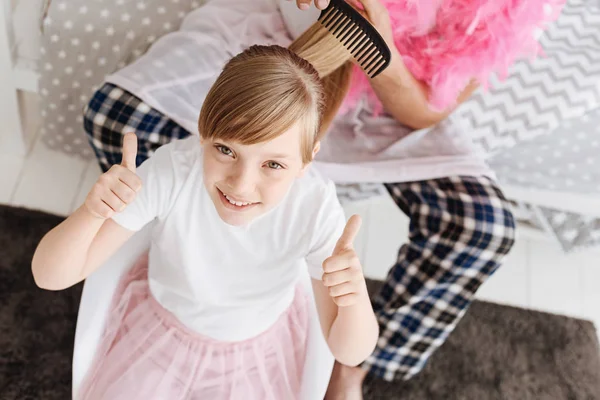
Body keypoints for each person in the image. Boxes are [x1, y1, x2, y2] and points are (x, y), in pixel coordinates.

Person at [81, 0, 518, 398]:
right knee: (115, 115)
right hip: (270, 52)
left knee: (482, 226)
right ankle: (184, 232)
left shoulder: (505, 10)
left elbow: (426, 109)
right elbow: (52, 270)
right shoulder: (184, 161)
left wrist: (375, 49)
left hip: (386, 102)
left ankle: (351, 369)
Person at [32, 40, 380, 399]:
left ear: (306, 162)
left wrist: (354, 296)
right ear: (203, 134)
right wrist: (93, 212)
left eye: (273, 164)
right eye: (225, 150)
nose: (241, 185)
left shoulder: (315, 208)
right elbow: (49, 275)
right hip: (162, 329)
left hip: (256, 350)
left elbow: (349, 350)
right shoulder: (172, 172)